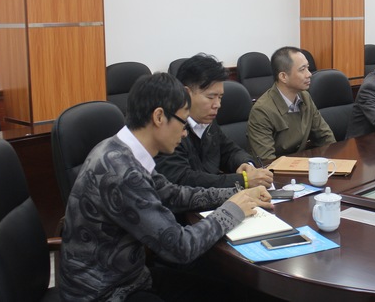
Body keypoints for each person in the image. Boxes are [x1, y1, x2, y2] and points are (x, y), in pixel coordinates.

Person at [59, 73, 272, 302]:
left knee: (231, 289)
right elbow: (180, 247)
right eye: (183, 122)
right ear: (159, 117)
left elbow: (172, 194)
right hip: (105, 292)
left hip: (129, 276)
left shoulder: (120, 149)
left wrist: (238, 194)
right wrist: (232, 211)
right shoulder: (122, 172)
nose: (185, 132)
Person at [155, 54, 273, 189]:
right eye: (211, 97)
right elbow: (184, 179)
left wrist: (246, 165)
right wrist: (243, 180)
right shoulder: (169, 128)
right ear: (186, 94)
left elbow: (229, 150)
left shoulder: (207, 120)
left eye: (220, 97)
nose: (217, 105)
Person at [247, 46, 335, 164]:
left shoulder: (305, 97)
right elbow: (266, 161)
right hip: (279, 171)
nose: (309, 74)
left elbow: (325, 137)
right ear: (283, 76)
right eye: (302, 69)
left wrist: (334, 163)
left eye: (308, 68)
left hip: (303, 166)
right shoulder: (262, 110)